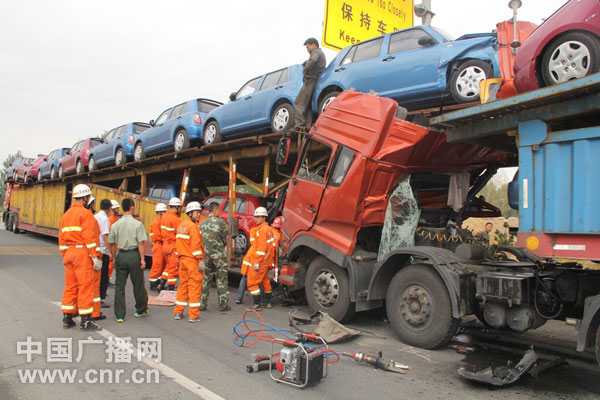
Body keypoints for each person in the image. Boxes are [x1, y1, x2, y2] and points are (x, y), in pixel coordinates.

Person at [58, 184, 103, 331]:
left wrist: (66, 255)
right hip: (82, 253)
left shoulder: (66, 215)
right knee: (85, 287)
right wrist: (95, 257)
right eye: (88, 197)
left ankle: (67, 318)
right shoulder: (86, 215)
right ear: (84, 198)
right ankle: (85, 321)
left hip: (69, 253)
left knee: (70, 287)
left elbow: (62, 240)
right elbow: (89, 237)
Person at [108, 198, 149, 322]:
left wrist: (114, 258)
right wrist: (142, 259)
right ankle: (141, 309)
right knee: (138, 283)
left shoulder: (116, 224)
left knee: (120, 285)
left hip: (121, 255)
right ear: (132, 207)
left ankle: (119, 315)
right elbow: (141, 243)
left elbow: (111, 243)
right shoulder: (137, 224)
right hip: (133, 255)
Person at [173, 202, 205, 322]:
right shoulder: (193, 227)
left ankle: (178, 311)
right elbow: (196, 246)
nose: (198, 215)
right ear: (190, 213)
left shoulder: (181, 226)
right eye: (197, 212)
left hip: (183, 260)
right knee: (195, 287)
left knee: (183, 286)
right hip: (192, 261)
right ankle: (193, 315)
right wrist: (201, 260)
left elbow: (178, 245)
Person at [199, 202, 230, 312]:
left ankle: (202, 304)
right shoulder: (221, 222)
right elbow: (225, 236)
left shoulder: (202, 223)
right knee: (221, 279)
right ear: (216, 210)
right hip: (219, 255)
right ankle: (223, 305)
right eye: (219, 210)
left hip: (207, 255)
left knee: (206, 279)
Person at [293, 37, 326, 132]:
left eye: (308, 47)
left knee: (299, 102)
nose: (307, 50)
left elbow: (313, 60)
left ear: (314, 45)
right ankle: (307, 126)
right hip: (314, 79)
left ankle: (299, 125)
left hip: (311, 80)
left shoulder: (316, 52)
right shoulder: (319, 53)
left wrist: (306, 67)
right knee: (307, 104)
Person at [246, 207, 274, 310]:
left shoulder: (262, 230)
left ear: (264, 217)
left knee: (252, 282)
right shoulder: (268, 229)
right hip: (266, 261)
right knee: (265, 281)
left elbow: (261, 249)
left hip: (261, 261)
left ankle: (257, 305)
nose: (256, 219)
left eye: (258, 217)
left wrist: (257, 262)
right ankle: (267, 302)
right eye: (256, 217)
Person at [158, 197, 183, 291]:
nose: (180, 210)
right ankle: (171, 286)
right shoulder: (174, 219)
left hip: (165, 245)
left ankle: (161, 284)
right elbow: (182, 230)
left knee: (168, 266)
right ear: (176, 207)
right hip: (172, 245)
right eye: (180, 207)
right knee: (173, 267)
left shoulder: (165, 216)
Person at [95, 199, 113, 305]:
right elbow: (105, 235)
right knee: (103, 276)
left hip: (97, 249)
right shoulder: (105, 219)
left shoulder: (96, 216)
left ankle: (97, 296)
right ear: (109, 208)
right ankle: (100, 297)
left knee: (98, 275)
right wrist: (110, 252)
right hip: (103, 251)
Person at [235, 226, 258, 304]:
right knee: (258, 280)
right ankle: (259, 301)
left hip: (248, 260)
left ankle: (239, 298)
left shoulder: (253, 230)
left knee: (244, 277)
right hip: (253, 261)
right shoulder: (268, 232)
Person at [148, 203, 167, 291]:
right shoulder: (156, 223)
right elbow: (157, 236)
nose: (164, 214)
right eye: (163, 212)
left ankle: (159, 283)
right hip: (158, 245)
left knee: (163, 264)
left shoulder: (162, 222)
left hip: (162, 245)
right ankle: (153, 284)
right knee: (157, 264)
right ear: (160, 213)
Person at [107, 199, 120, 279]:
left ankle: (107, 277)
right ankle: (107, 277)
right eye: (117, 208)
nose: (118, 210)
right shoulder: (111, 219)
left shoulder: (113, 218)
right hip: (112, 243)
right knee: (111, 262)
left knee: (111, 262)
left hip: (113, 243)